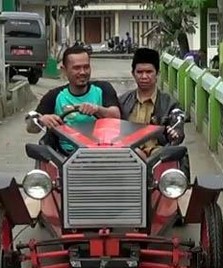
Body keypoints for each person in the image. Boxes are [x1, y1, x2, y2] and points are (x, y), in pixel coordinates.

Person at [27, 45, 121, 154]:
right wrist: (41, 120)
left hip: (100, 154)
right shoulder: (54, 96)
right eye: (76, 68)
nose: (82, 72)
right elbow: (31, 128)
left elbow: (116, 116)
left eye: (86, 67)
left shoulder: (103, 89)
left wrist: (98, 109)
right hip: (64, 157)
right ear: (64, 70)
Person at [118, 48, 189, 178]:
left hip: (160, 158)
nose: (144, 76)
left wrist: (175, 133)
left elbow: (178, 130)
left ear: (157, 74)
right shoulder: (122, 102)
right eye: (139, 72)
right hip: (128, 159)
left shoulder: (170, 104)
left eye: (149, 72)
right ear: (133, 74)